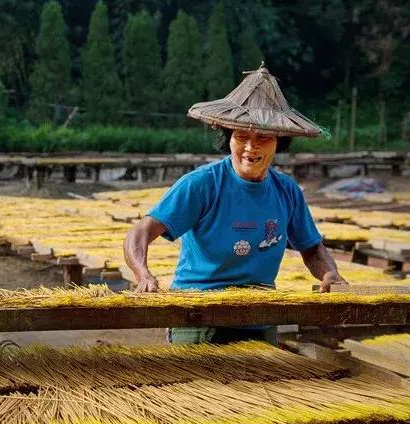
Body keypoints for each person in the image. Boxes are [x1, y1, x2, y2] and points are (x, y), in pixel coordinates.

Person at [124, 64, 347, 345]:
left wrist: (330, 273)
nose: (251, 148)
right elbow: (140, 232)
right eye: (241, 136)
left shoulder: (287, 190)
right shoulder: (201, 185)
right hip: (199, 320)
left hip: (259, 321)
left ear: (279, 142)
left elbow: (312, 248)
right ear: (227, 137)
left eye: (262, 138)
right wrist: (142, 273)